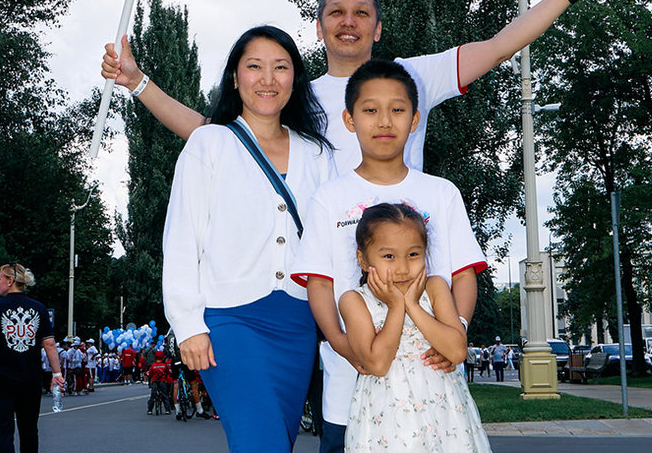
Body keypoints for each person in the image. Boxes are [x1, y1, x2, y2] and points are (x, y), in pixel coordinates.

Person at [100, 0, 606, 173]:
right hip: (323, 271)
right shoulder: (293, 96)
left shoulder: (413, 76)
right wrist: (138, 82)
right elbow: (209, 132)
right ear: (319, 27)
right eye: (336, 12)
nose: (348, 21)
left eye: (361, 13)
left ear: (377, 28)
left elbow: (499, 46)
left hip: (401, 258)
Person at [291, 60, 486, 453]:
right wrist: (343, 346)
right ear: (349, 120)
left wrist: (456, 332)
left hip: (438, 391)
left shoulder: (441, 193)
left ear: (414, 119)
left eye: (397, 109)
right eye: (370, 110)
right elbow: (320, 283)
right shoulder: (329, 197)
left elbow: (464, 274)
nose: (384, 121)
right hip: (355, 389)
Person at [162, 25, 334, 452]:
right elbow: (182, 239)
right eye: (254, 66)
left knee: (276, 440)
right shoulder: (209, 143)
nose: (268, 79)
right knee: (262, 442)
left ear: (295, 78)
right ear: (235, 78)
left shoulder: (317, 152)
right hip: (229, 321)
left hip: (299, 323)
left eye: (281, 67)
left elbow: (331, 243)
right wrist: (187, 325)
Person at [339, 203, 491, 452]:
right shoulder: (355, 301)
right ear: (363, 260)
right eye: (389, 256)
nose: (402, 268)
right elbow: (377, 364)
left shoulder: (435, 288)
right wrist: (396, 307)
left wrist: (413, 305)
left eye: (413, 254)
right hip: (387, 415)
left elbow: (457, 351)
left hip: (444, 411)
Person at [0, 263, 66, 453]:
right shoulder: (39, 308)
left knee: (4, 429)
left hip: (1, 376)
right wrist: (56, 373)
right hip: (30, 377)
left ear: (10, 281)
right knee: (29, 429)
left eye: (0, 279)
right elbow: (49, 343)